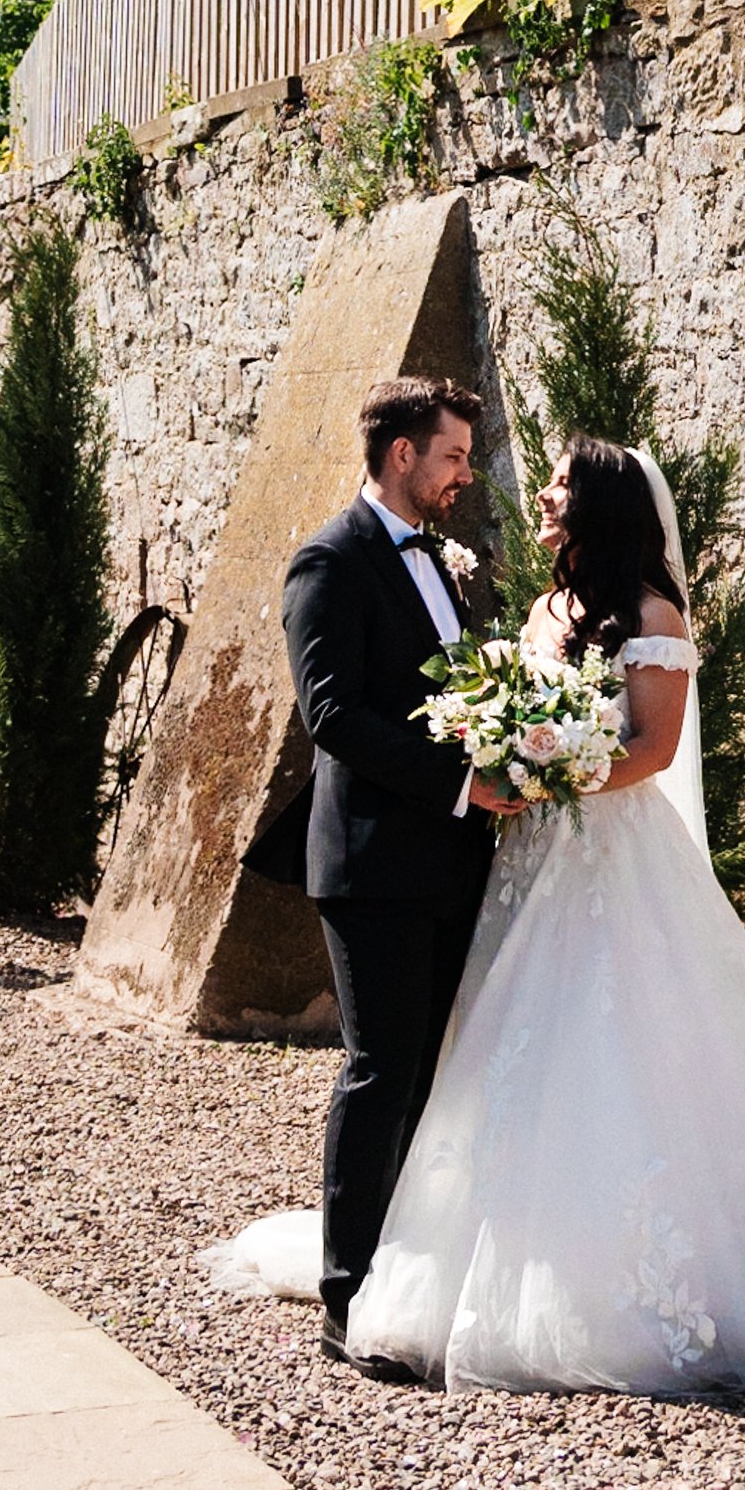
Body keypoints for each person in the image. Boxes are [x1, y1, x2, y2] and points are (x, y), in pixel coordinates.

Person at [221, 433, 745, 1398]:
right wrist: (512, 768)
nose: (539, 493)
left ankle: (623, 1285)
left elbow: (656, 749)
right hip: (522, 864)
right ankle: (437, 1259)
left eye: (560, 485)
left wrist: (553, 776)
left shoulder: (653, 614)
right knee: (482, 1054)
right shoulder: (542, 608)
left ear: (601, 507)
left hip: (612, 857)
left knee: (612, 1047)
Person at [249, 376, 495, 1361]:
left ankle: (411, 1267)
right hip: (370, 864)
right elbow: (333, 716)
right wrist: (462, 780)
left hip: (452, 857)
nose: (463, 474)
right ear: (401, 452)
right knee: (379, 1067)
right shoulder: (330, 560)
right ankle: (346, 1295)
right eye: (452, 455)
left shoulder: (444, 561)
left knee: (435, 1070)